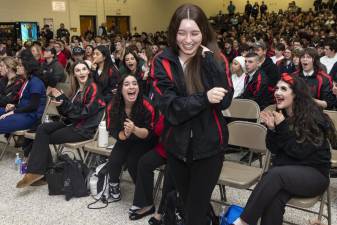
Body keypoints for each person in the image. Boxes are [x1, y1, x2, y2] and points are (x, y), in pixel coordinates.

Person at [151, 4, 233, 225]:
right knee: (190, 207)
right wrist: (204, 98)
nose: (188, 40)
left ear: (204, 32)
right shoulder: (162, 61)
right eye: (182, 33)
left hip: (209, 148)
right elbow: (171, 109)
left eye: (195, 33)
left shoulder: (216, 58)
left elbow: (225, 100)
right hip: (176, 147)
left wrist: (211, 64)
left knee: (194, 214)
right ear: (173, 33)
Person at [233, 73, 334, 225]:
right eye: (276, 88)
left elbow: (300, 153)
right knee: (273, 198)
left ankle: (244, 221)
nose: (277, 92)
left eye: (283, 89)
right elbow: (274, 149)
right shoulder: (282, 115)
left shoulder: (313, 118)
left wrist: (281, 127)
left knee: (274, 174)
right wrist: (273, 129)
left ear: (296, 94)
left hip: (315, 175)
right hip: (289, 174)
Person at [16, 61, 105, 188]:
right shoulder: (75, 89)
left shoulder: (93, 88)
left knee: (43, 137)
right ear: (73, 74)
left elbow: (84, 113)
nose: (81, 72)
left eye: (84, 69)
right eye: (77, 70)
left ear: (88, 72)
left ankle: (40, 173)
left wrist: (64, 103)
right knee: (42, 129)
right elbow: (68, 114)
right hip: (72, 123)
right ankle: (38, 173)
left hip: (84, 129)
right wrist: (60, 104)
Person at [105, 74, 157, 202]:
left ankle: (143, 192)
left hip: (144, 140)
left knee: (133, 161)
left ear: (139, 88)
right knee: (114, 160)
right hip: (125, 138)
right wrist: (123, 135)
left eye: (134, 83)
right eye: (126, 84)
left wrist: (134, 129)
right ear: (120, 89)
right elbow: (112, 128)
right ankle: (113, 185)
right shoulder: (113, 105)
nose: (131, 87)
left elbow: (149, 133)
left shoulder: (147, 104)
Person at [0, 49, 46, 134]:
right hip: (23, 112)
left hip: (31, 117)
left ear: (27, 67)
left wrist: (13, 112)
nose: (16, 67)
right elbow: (25, 102)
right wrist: (14, 106)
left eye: (20, 65)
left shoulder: (35, 82)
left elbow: (33, 106)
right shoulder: (27, 80)